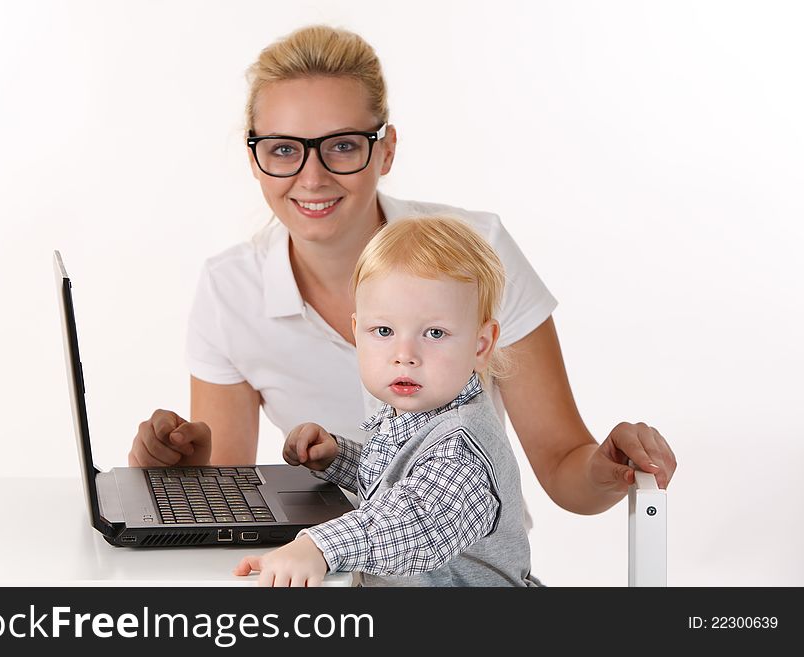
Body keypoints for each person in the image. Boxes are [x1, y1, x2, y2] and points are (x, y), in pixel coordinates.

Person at [127, 25, 676, 524]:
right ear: (255, 159)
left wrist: (611, 466)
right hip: (329, 583)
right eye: (283, 150)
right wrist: (183, 474)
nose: (311, 177)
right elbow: (231, 504)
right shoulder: (230, 290)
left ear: (385, 149)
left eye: (342, 146)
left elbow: (563, 468)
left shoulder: (481, 253)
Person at [234, 216, 539, 586]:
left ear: (480, 344)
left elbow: (420, 519)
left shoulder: (461, 447)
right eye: (383, 331)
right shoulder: (417, 413)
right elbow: (405, 477)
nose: (405, 354)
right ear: (357, 333)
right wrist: (338, 458)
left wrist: (319, 546)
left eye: (435, 333)